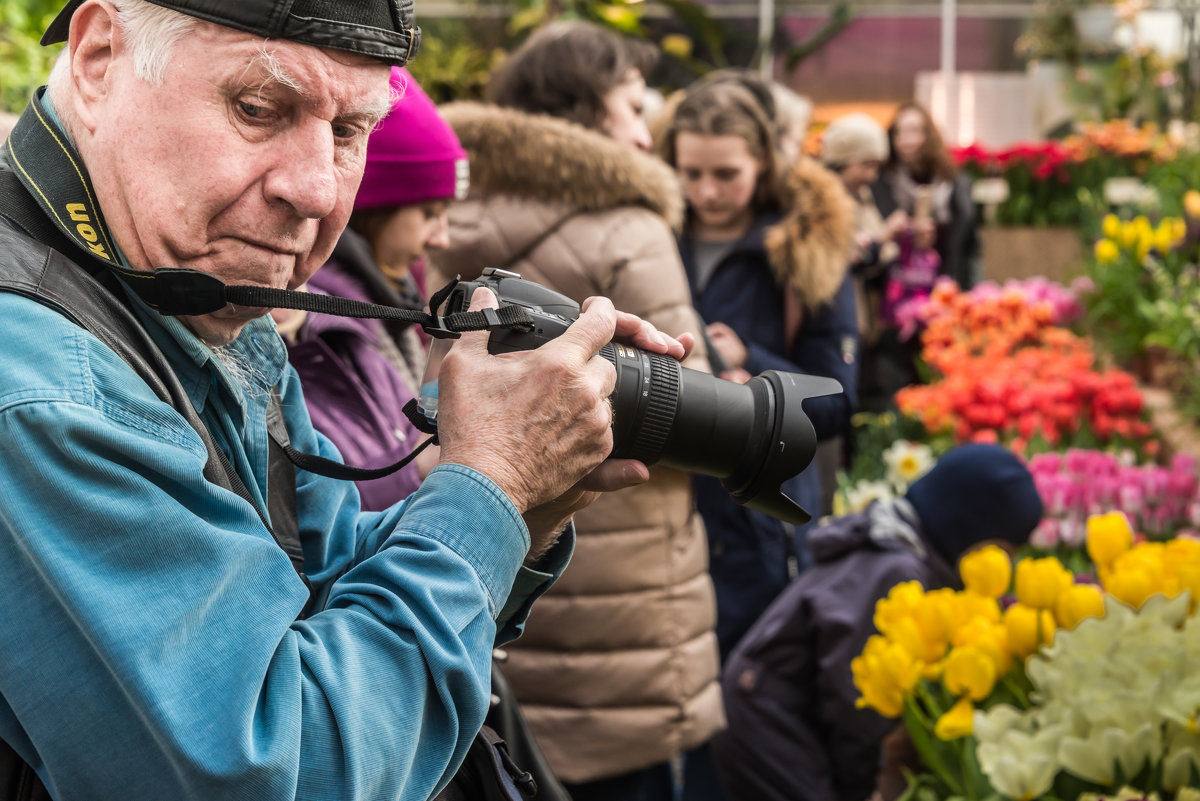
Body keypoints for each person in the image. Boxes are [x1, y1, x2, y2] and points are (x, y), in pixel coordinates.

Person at [0, 2, 692, 799]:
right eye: (257, 108)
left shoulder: (195, 297)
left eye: (349, 131)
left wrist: (524, 504)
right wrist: (489, 483)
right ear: (97, 59)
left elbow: (320, 586)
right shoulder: (43, 387)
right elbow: (281, 771)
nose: (318, 190)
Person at [428, 20, 723, 801]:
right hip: (621, 611)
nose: (644, 130)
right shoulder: (631, 227)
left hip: (483, 574)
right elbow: (691, 409)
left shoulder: (450, 218)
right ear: (588, 111)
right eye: (631, 107)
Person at [709, 444, 1044, 801]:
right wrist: (861, 785)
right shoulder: (897, 572)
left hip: (772, 706)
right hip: (769, 720)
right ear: (967, 530)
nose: (1004, 569)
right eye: (1002, 552)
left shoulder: (896, 545)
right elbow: (853, 693)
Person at [655, 77, 859, 660]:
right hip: (665, 510)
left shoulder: (806, 250)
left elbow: (838, 402)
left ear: (763, 162)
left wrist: (751, 366)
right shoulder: (651, 237)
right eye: (691, 173)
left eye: (726, 175)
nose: (706, 191)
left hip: (762, 520)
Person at [272, 65, 464, 510]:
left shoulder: (391, 302)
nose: (443, 237)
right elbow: (301, 520)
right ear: (374, 208)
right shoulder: (302, 317)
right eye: (429, 212)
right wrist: (426, 471)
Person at [819, 112, 909, 414]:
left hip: (862, 317)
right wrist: (882, 239)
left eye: (876, 167)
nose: (872, 176)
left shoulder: (861, 196)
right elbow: (846, 259)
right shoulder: (826, 203)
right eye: (866, 166)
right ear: (842, 161)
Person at [871, 101, 979, 291]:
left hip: (947, 275)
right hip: (902, 281)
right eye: (898, 132)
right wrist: (909, 231)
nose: (905, 139)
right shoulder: (885, 179)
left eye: (913, 130)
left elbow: (964, 238)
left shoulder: (952, 180)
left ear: (928, 135)